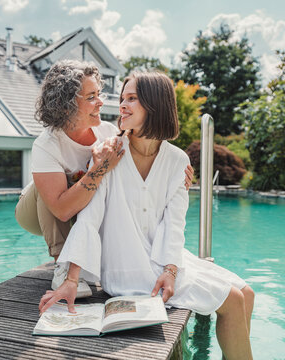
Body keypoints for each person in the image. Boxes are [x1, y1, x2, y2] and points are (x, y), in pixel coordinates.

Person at [38, 71, 255, 360]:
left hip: (163, 260)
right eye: (122, 99)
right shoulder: (109, 153)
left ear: (155, 104)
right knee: (233, 299)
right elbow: (90, 218)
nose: (122, 106)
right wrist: (71, 278)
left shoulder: (178, 159)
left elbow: (174, 222)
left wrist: (170, 269)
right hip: (129, 270)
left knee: (247, 293)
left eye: (132, 99)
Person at [14, 60, 195, 298]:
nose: (101, 102)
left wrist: (174, 171)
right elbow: (61, 210)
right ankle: (63, 266)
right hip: (42, 209)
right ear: (65, 104)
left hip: (82, 199)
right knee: (55, 192)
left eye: (99, 94)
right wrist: (98, 169)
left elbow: (146, 137)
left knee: (96, 193)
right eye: (91, 97)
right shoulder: (47, 145)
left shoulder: (108, 132)